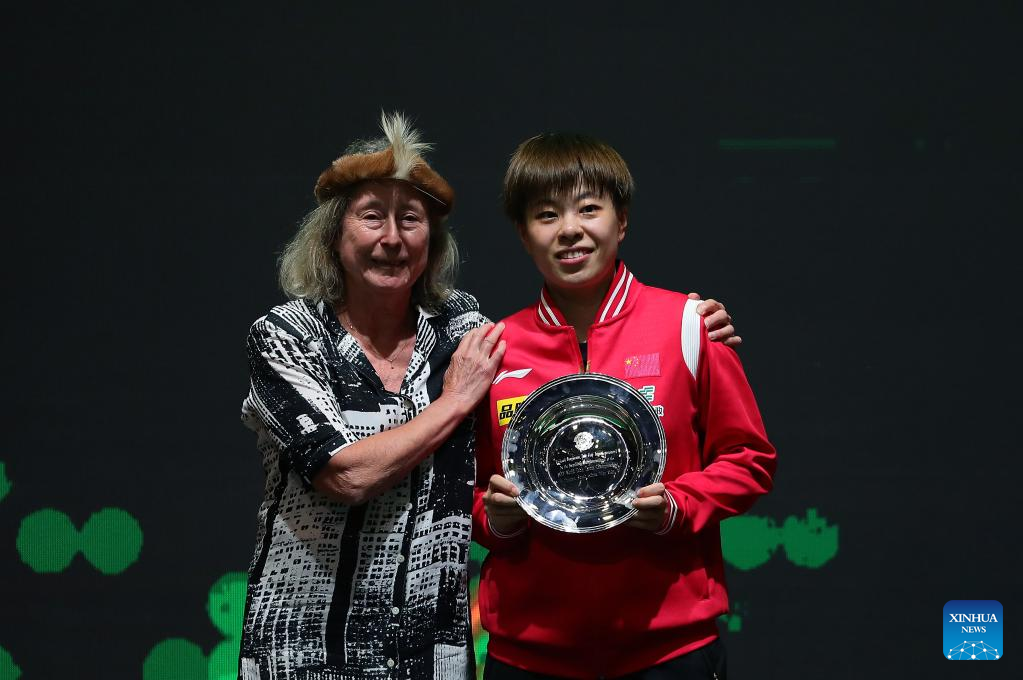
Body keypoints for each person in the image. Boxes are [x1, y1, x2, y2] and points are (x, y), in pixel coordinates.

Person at [239, 114, 738, 679]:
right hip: (309, 638)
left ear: (432, 242)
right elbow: (346, 476)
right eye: (372, 216)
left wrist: (686, 324)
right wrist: (454, 405)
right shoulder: (288, 336)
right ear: (333, 234)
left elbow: (485, 482)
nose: (392, 238)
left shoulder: (465, 334)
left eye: (411, 219)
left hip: (432, 648)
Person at [474, 133, 777, 679]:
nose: (570, 229)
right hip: (530, 652)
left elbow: (749, 460)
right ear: (523, 233)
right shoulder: (493, 351)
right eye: (546, 215)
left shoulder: (688, 326)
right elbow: (462, 495)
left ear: (622, 221)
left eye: (589, 209)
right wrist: (495, 520)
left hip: (668, 648)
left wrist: (677, 507)